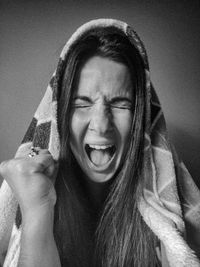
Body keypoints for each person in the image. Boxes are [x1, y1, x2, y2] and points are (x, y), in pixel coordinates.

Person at [0, 19, 200, 267]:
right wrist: (37, 208)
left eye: (120, 104)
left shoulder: (167, 218)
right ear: (59, 116)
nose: (101, 125)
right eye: (81, 104)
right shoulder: (37, 194)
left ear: (140, 119)